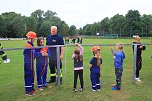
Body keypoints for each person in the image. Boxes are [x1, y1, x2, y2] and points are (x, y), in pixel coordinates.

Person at [23, 31, 46, 96]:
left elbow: (34, 52)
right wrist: (41, 53)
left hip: (30, 62)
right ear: (31, 38)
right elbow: (33, 54)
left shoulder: (31, 44)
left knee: (32, 75)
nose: (35, 39)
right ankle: (28, 91)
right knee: (28, 76)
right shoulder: (28, 45)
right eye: (34, 38)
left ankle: (31, 89)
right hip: (28, 63)